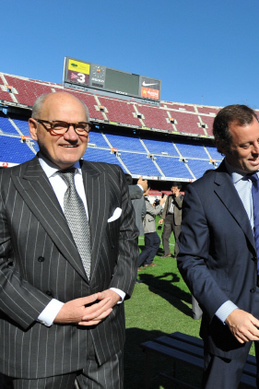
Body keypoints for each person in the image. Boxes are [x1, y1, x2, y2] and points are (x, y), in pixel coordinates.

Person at [0, 91, 137, 388]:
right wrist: (56, 311)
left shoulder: (111, 176)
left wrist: (117, 290)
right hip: (37, 348)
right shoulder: (5, 186)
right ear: (34, 128)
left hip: (104, 345)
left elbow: (127, 241)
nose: (72, 136)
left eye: (81, 127)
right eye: (59, 125)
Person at [177, 104, 259, 389]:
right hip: (230, 303)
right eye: (246, 145)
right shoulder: (202, 192)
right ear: (222, 146)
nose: (258, 150)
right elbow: (189, 260)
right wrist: (227, 312)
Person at [137, 182, 166, 269]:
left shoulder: (144, 200)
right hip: (147, 227)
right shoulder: (144, 200)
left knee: (156, 242)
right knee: (149, 247)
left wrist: (153, 206)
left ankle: (148, 262)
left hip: (151, 226)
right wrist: (161, 204)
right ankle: (137, 265)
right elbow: (155, 212)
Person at [159, 181, 183, 258]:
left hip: (177, 219)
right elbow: (166, 208)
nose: (172, 190)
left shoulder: (182, 197)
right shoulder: (169, 197)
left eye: (174, 188)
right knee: (165, 236)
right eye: (172, 188)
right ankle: (166, 253)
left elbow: (180, 205)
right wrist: (162, 218)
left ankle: (176, 254)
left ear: (179, 189)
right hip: (168, 217)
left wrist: (177, 196)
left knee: (177, 237)